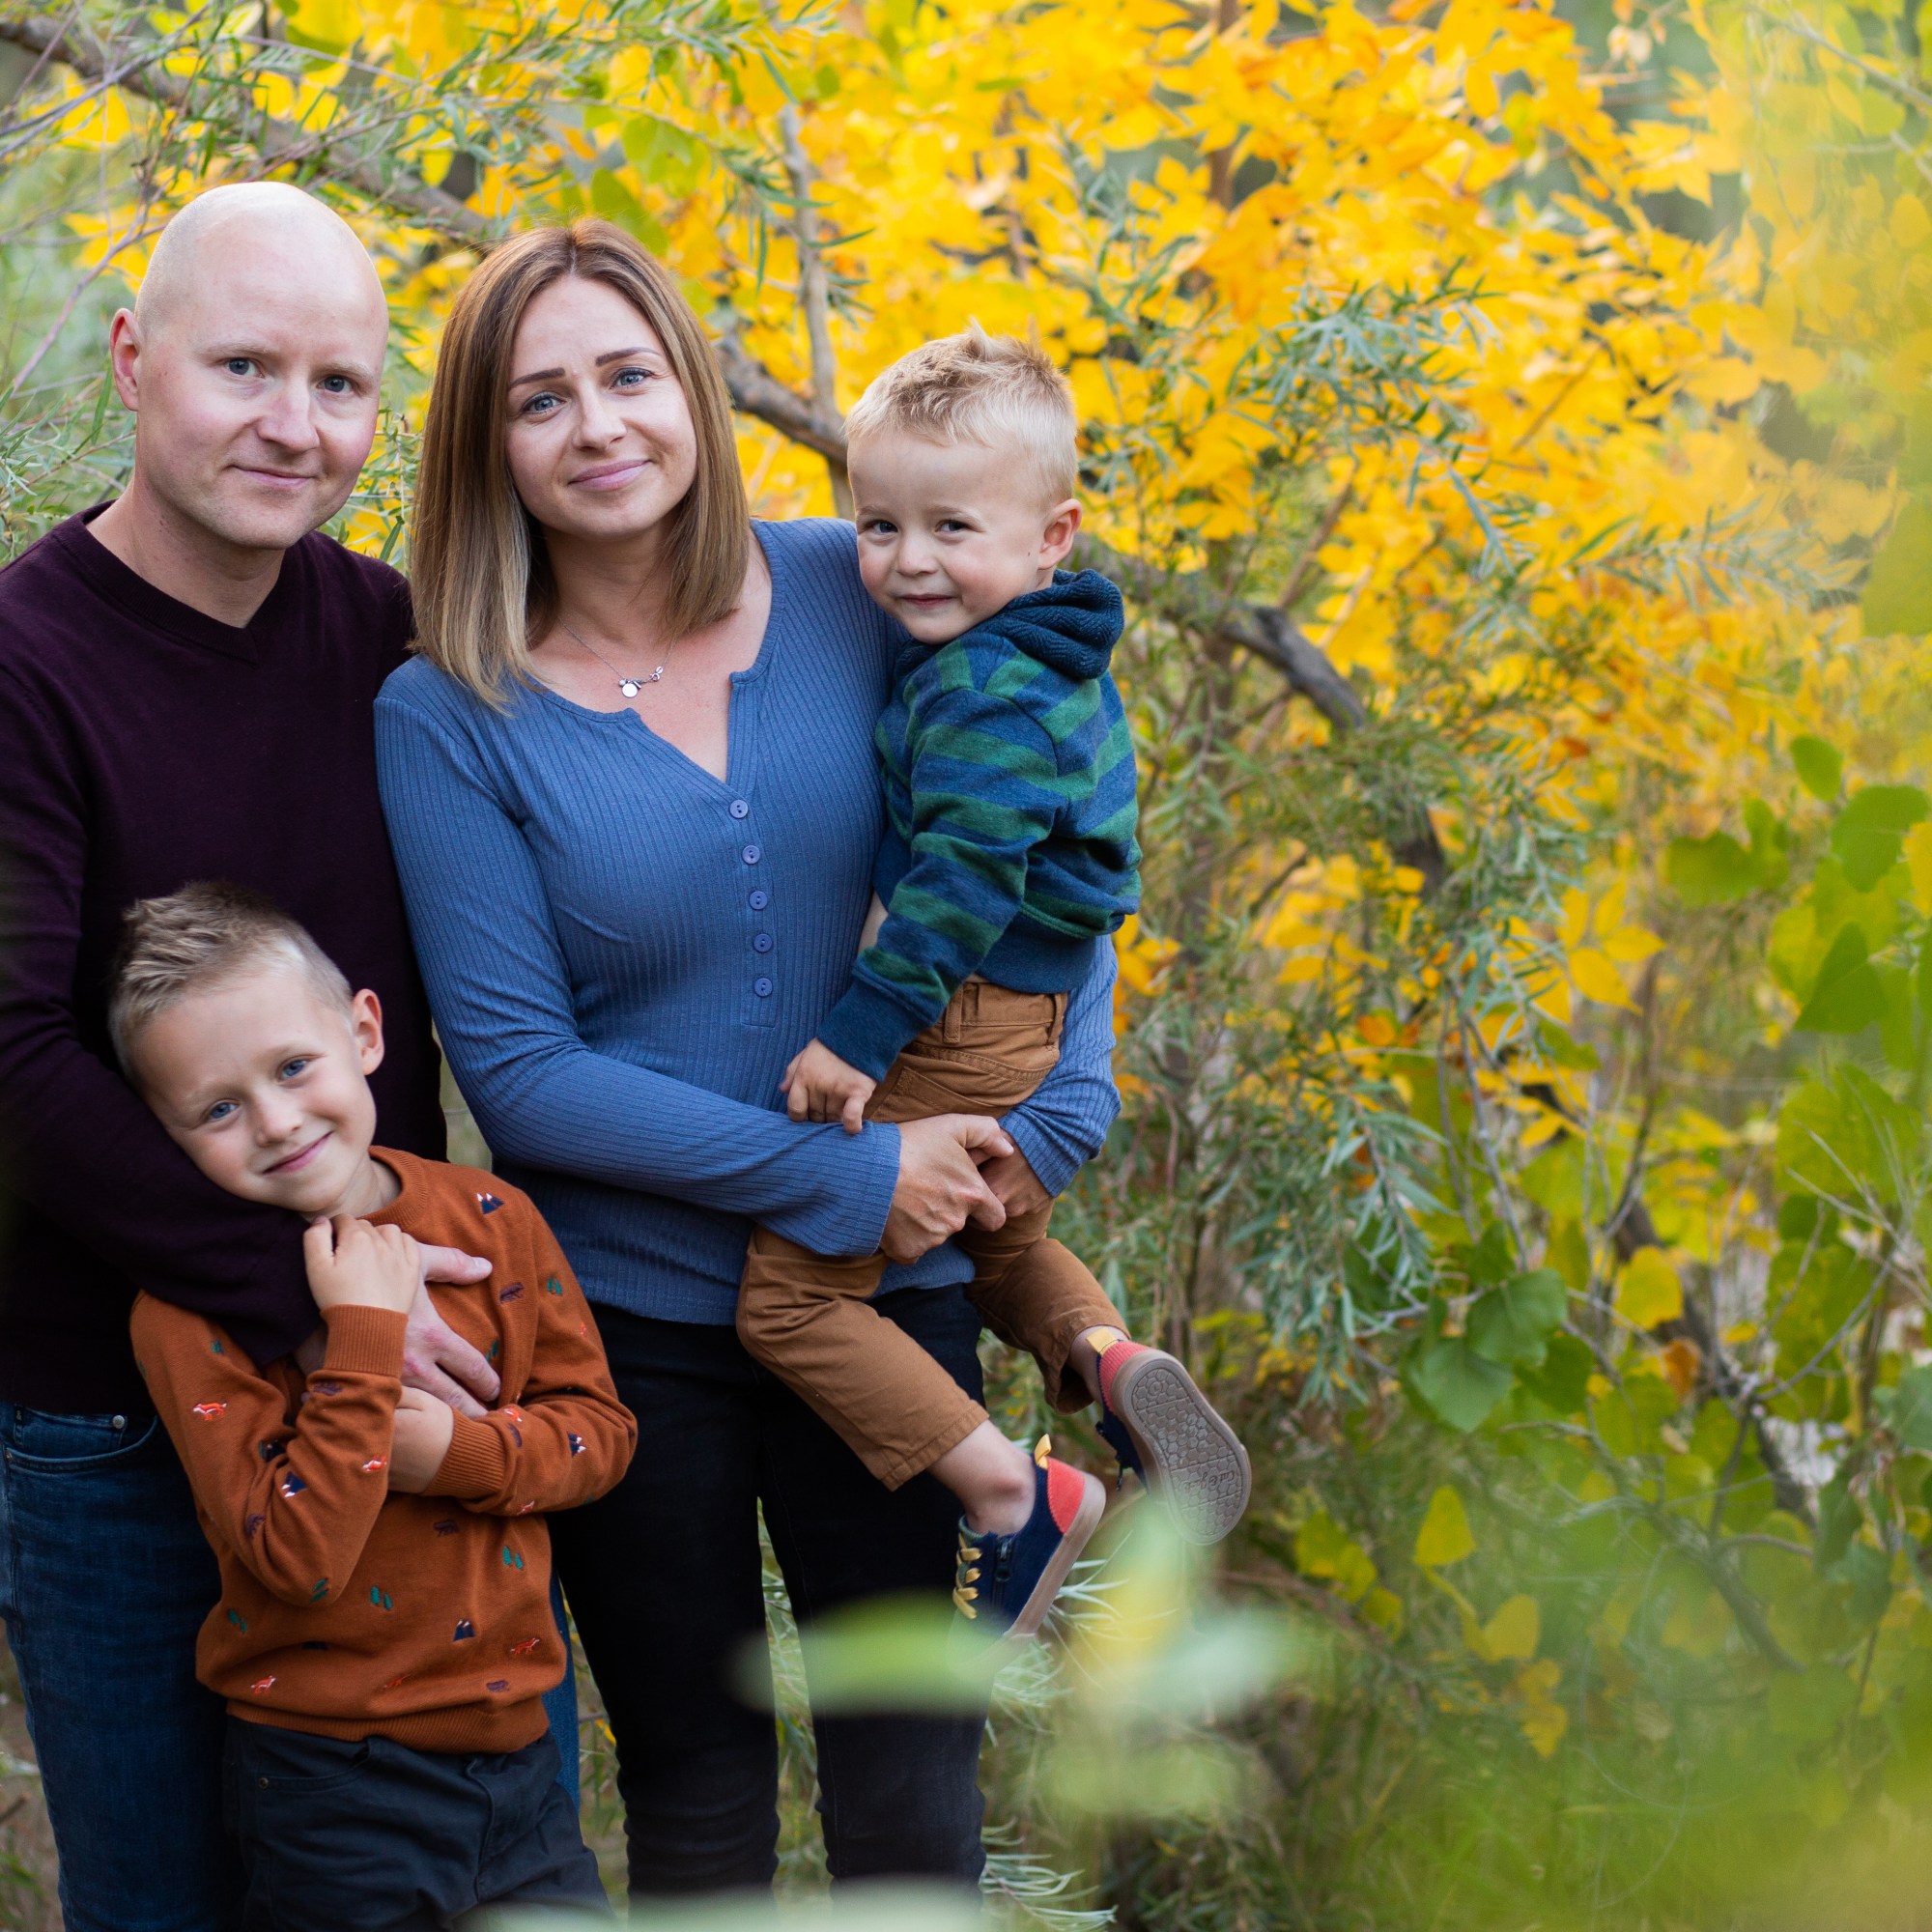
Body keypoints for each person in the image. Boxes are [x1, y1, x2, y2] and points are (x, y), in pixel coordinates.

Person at [374, 220, 1120, 1898]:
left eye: (629, 376)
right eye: (540, 398)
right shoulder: (449, 713)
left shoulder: (861, 587)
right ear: (486, 443)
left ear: (694, 395)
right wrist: (843, 1171)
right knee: (698, 1796)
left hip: (889, 1296)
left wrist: (1060, 1109)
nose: (597, 425)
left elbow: (1045, 839)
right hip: (628, 1327)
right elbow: (521, 1073)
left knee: (911, 1794)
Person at [0, 183, 507, 1932]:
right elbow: (11, 1062)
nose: (296, 425)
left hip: (392, 1395)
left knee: (440, 1889)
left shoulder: (393, 641)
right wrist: (315, 1299)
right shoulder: (23, 662)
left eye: (341, 383)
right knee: (165, 1903)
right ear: (132, 361)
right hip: (114, 1420)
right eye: (243, 367)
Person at [737, 329, 1251, 1640]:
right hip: (1031, 1015)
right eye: (879, 525)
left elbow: (961, 883)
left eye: (950, 527)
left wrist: (858, 1039)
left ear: (1050, 536)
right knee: (998, 1242)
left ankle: (1015, 1494)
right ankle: (1107, 1357)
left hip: (956, 1016)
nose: (908, 560)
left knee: (790, 1300)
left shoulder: (981, 690)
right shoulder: (1051, 651)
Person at [112, 883, 634, 1926]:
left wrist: (459, 1454)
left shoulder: (491, 1217)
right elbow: (298, 1559)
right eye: (217, 1109)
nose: (276, 1122)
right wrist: (361, 1330)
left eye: (291, 1067)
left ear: (364, 1032)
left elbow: (601, 1433)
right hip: (328, 1782)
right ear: (166, 1136)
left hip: (521, 1756)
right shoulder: (184, 1315)